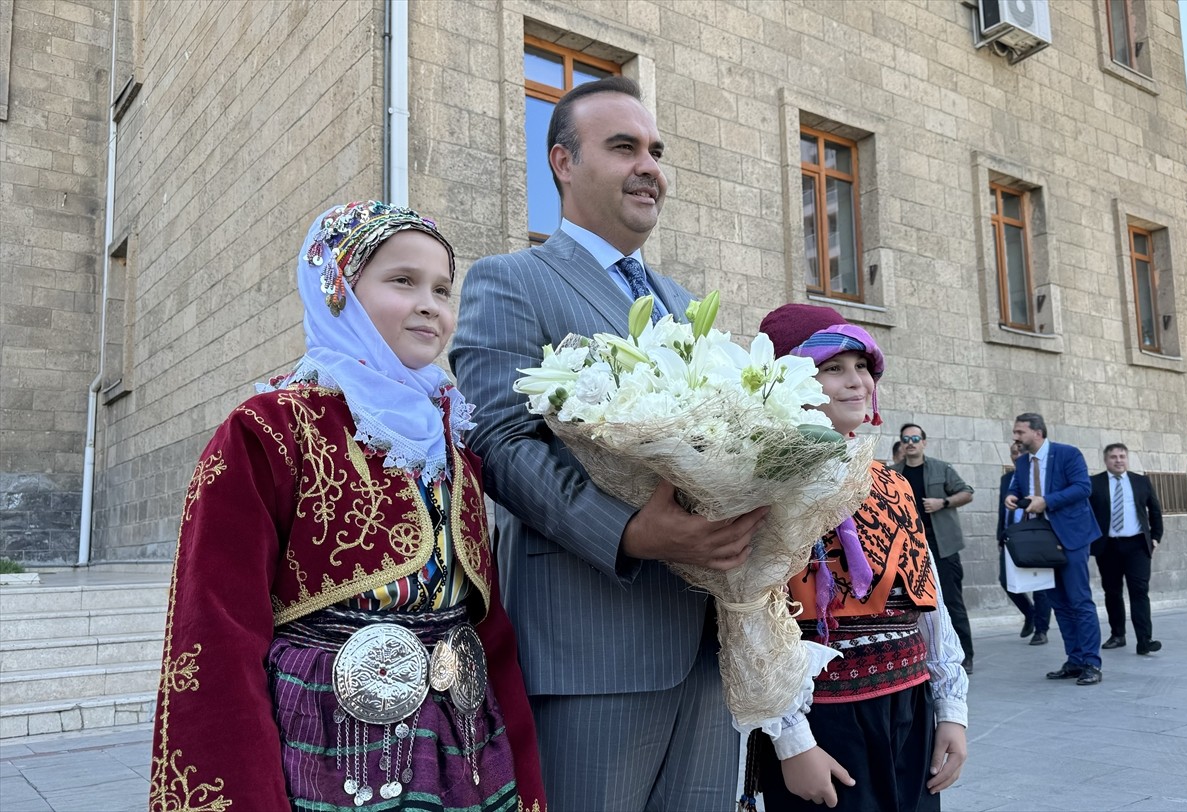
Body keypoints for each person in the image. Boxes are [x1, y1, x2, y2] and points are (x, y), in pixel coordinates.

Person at [148, 202, 546, 812]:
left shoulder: (453, 439)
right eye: (402, 281)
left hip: (463, 740)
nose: (429, 304)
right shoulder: (271, 430)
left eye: (443, 288)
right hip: (327, 738)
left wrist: (524, 771)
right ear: (338, 290)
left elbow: (486, 628)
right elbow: (216, 633)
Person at [450, 76, 765, 811]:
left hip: (708, 649)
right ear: (562, 161)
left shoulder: (687, 307)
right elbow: (496, 440)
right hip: (591, 648)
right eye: (623, 147)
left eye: (655, 150)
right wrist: (628, 532)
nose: (648, 165)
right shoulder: (512, 283)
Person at [749, 304, 968, 812]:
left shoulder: (889, 482)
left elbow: (925, 597)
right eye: (833, 368)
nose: (857, 382)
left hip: (909, 707)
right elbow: (750, 618)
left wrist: (951, 707)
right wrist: (793, 741)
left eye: (862, 367)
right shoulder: (762, 483)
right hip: (824, 719)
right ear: (791, 382)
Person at [1005, 413, 1103, 685]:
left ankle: (1092, 663)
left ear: (1037, 432)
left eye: (1020, 432)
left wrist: (1046, 501)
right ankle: (1074, 660)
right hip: (1043, 541)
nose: (1016, 437)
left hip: (1072, 536)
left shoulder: (1068, 454)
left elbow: (1083, 488)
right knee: (1058, 602)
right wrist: (1011, 497)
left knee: (1079, 600)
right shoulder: (1023, 462)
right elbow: (1016, 486)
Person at [890, 424, 976, 674]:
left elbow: (967, 492)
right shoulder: (893, 473)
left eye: (915, 438)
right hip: (908, 549)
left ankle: (966, 655)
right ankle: (922, 656)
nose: (910, 442)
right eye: (906, 439)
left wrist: (943, 502)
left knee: (952, 601)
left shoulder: (941, 468)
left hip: (942, 545)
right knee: (913, 603)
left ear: (924, 442)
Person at [1089, 443, 1165, 655]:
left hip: (1137, 545)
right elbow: (1086, 514)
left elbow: (1155, 511)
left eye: (1122, 456)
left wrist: (1156, 537)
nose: (1118, 460)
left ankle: (1144, 640)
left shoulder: (1141, 481)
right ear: (1106, 460)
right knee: (1112, 591)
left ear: (1127, 458)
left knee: (1139, 591)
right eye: (1113, 457)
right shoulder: (1094, 483)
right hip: (1108, 546)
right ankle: (1118, 634)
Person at [997, 440, 1051, 645]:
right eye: (1013, 452)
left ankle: (1041, 630)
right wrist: (999, 536)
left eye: (1021, 451)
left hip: (1036, 534)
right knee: (1005, 580)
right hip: (1011, 535)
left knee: (1040, 584)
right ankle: (1030, 613)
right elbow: (1001, 510)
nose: (1017, 455)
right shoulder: (1006, 479)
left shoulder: (1037, 475)